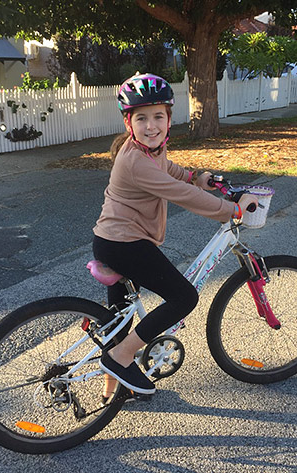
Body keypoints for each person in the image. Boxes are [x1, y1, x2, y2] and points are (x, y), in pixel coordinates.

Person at [93, 73, 258, 397]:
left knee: (118, 325)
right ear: (130, 123)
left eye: (158, 116)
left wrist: (197, 175)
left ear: (169, 120)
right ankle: (122, 359)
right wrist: (233, 209)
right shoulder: (134, 162)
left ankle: (112, 391)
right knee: (184, 297)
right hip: (126, 243)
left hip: (112, 240)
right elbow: (181, 194)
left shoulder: (148, 151)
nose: (151, 125)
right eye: (142, 118)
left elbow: (170, 173)